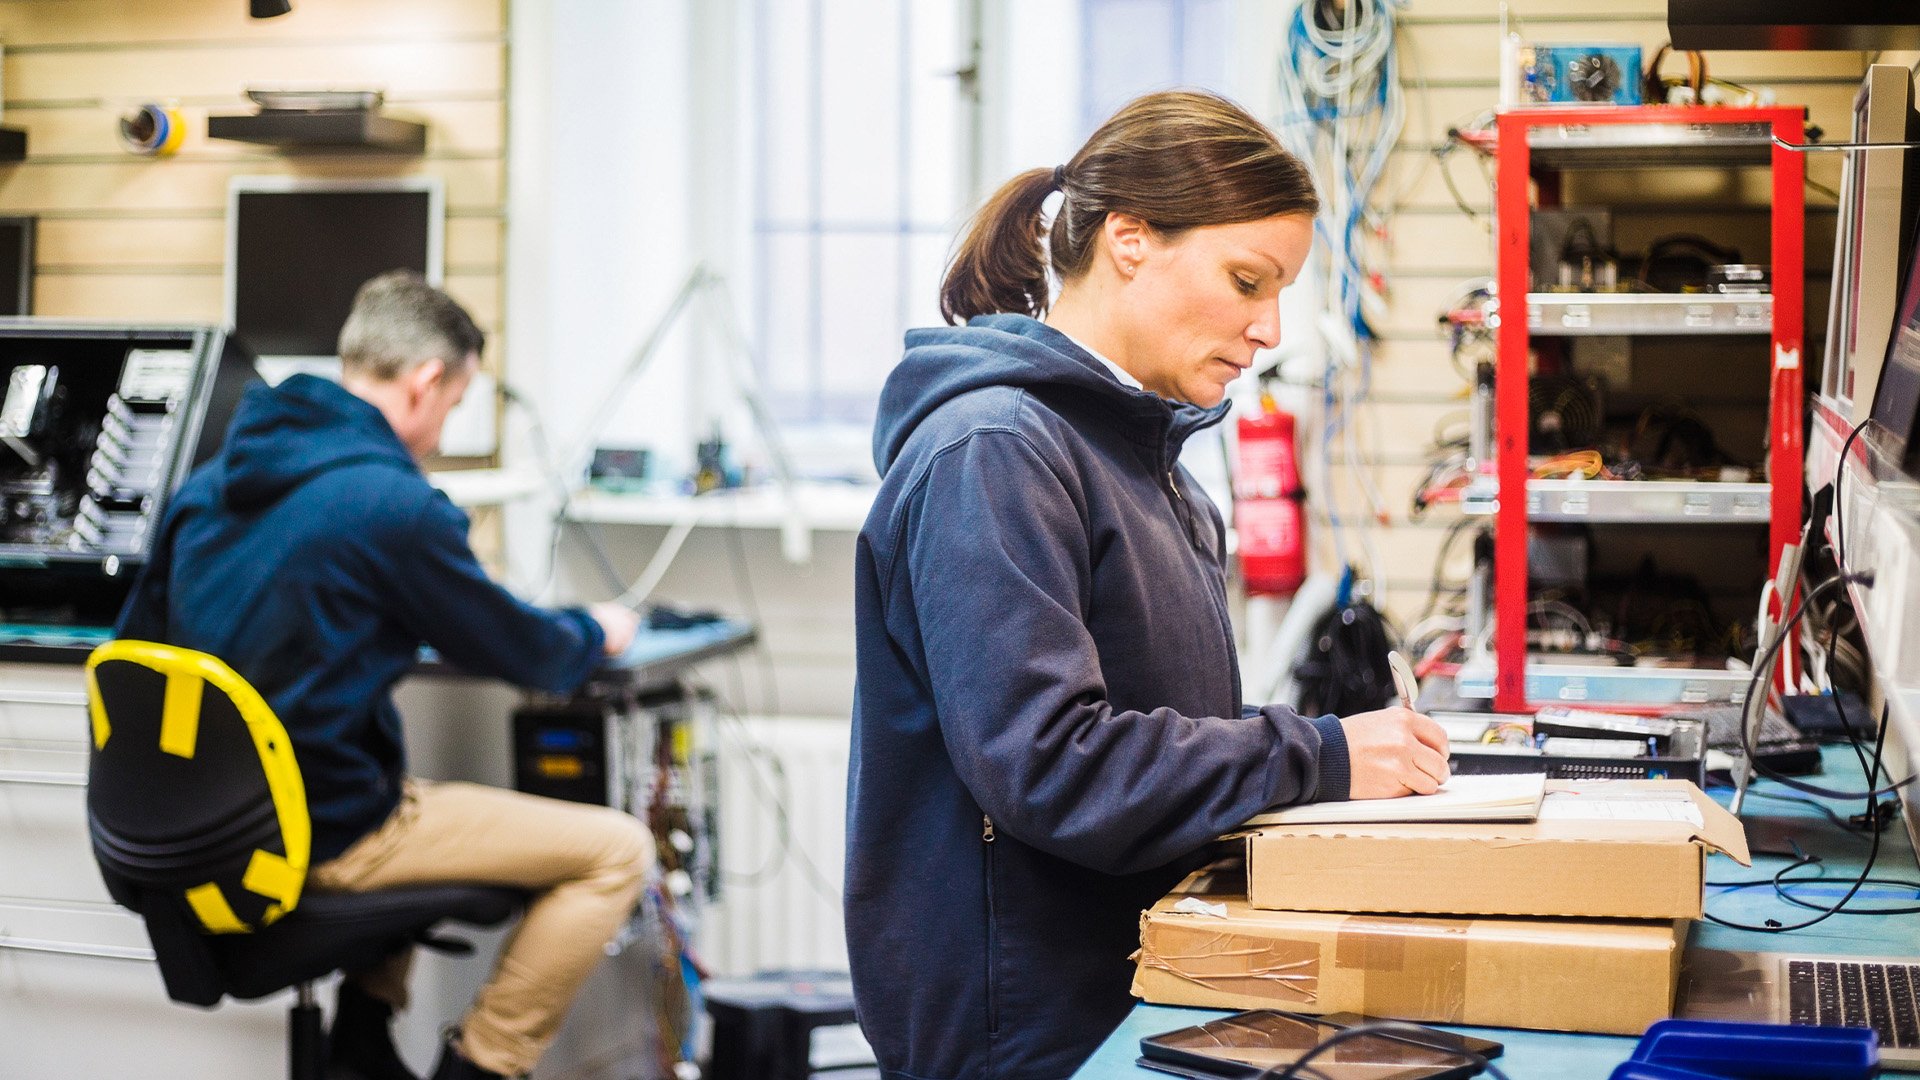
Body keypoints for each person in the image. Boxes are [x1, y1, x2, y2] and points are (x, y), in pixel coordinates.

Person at [846, 90, 1452, 1080]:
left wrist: (1328, 766)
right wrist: (1319, 754)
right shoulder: (995, 454)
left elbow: (1164, 722)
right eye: (1247, 280)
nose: (1268, 329)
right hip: (1025, 1026)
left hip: (1134, 982)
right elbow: (1055, 766)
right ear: (1130, 238)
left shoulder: (1149, 466)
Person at [116, 271, 652, 1080]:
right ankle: (482, 1065)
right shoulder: (393, 505)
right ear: (427, 381)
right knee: (616, 850)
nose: (438, 434)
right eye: (453, 405)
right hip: (324, 837)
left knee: (401, 780)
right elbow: (525, 651)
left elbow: (132, 653)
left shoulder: (207, 488)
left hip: (202, 836)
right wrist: (595, 629)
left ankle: (362, 1047)